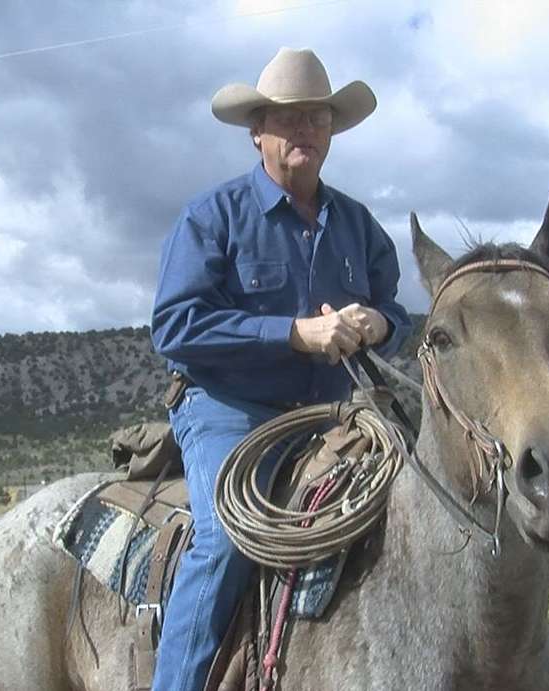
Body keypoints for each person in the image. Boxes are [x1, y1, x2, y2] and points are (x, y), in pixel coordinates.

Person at [149, 47, 412, 690]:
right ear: (257, 132)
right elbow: (174, 327)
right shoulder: (212, 217)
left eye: (317, 119)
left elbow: (394, 310)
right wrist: (294, 333)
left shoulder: (358, 224)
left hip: (335, 413)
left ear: (331, 132)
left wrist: (381, 325)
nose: (305, 131)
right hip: (228, 409)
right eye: (287, 119)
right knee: (227, 538)